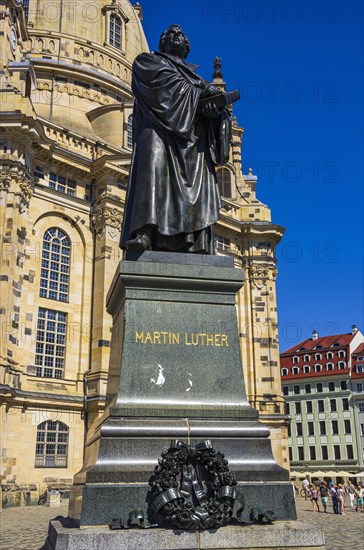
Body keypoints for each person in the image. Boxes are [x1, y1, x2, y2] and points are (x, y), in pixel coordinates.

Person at [120, 24, 232, 254]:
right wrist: (201, 92)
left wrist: (214, 113)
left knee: (200, 177)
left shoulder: (198, 80)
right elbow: (163, 87)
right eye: (170, 34)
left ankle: (196, 240)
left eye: (180, 34)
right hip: (159, 130)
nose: (176, 35)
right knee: (152, 160)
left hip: (192, 142)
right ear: (162, 43)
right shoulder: (147, 62)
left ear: (187, 46)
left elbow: (214, 111)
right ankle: (145, 232)